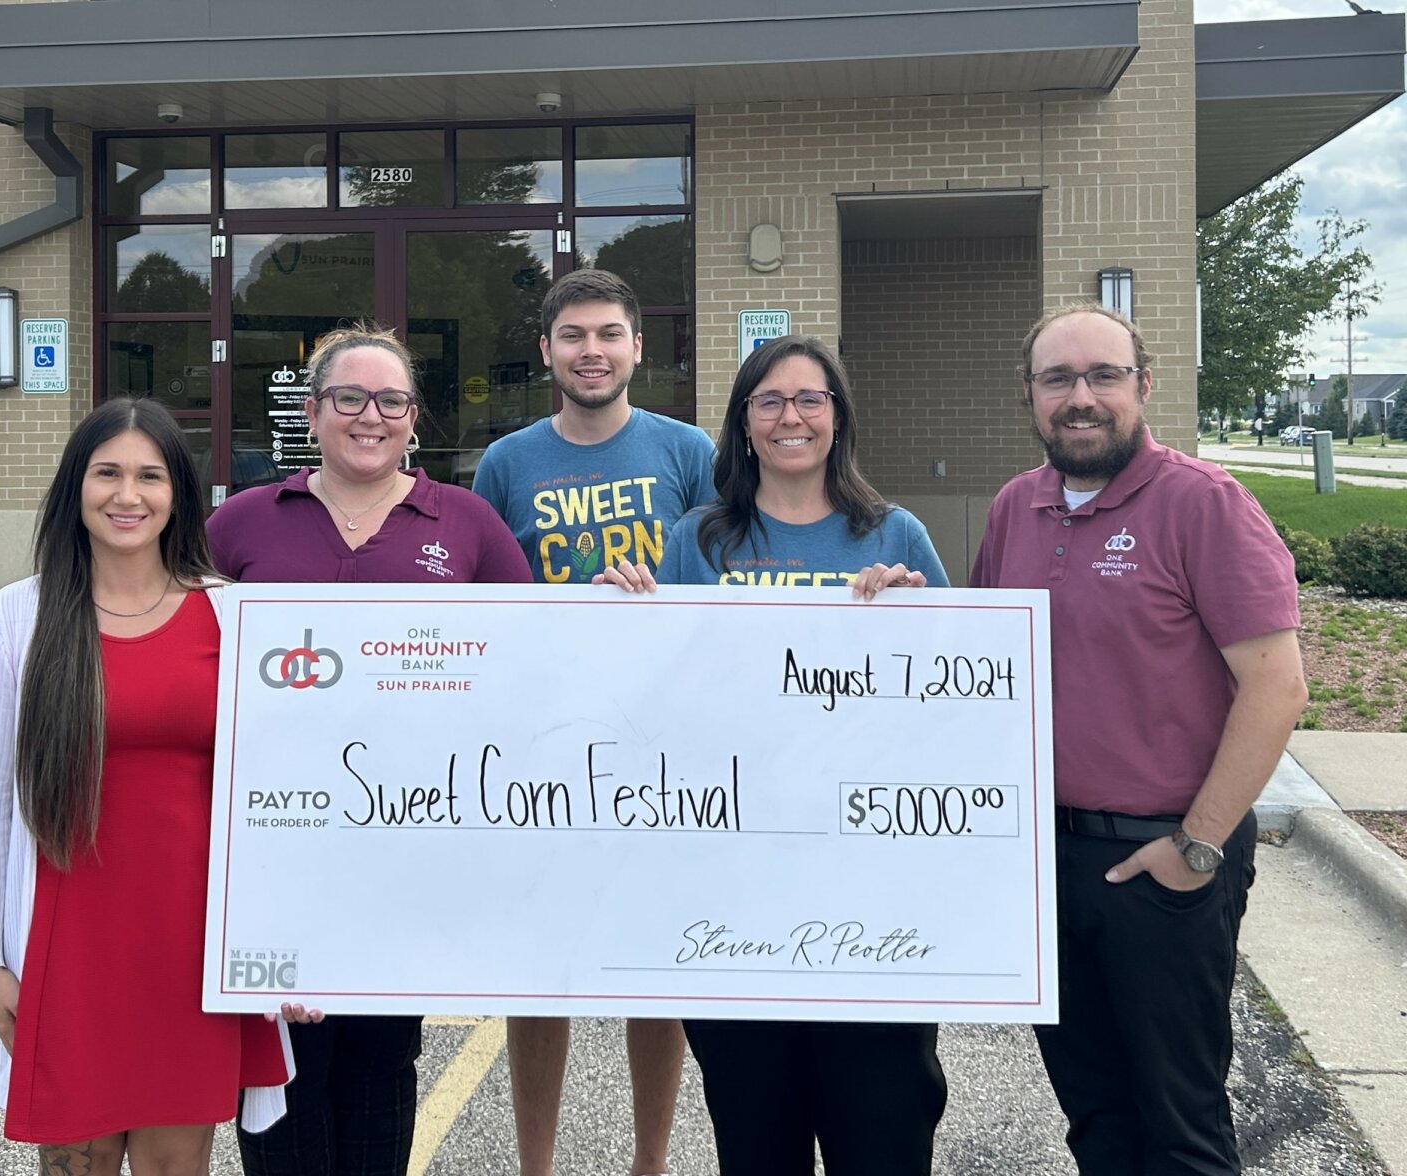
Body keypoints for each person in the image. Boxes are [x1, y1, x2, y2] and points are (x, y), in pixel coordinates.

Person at [969, 305, 1308, 1175]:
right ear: (1029, 396)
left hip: (1163, 860)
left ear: (1143, 385)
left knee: (1180, 1125)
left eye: (1103, 376)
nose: (1080, 397)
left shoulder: (1204, 504)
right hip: (1047, 863)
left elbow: (1277, 687)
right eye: (1057, 379)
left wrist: (1196, 846)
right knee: (1096, 1115)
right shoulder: (1014, 508)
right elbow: (979, 665)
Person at [604, 334, 950, 1176]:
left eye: (809, 399)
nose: (790, 417)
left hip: (869, 898)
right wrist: (618, 625)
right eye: (770, 401)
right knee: (757, 1143)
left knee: (883, 1138)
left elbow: (955, 711)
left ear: (838, 417)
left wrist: (917, 622)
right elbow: (655, 707)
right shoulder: (698, 541)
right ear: (744, 423)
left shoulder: (895, 536)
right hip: (733, 895)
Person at [207, 324, 531, 1176]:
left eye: (391, 400)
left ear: (414, 417)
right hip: (275, 847)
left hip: (408, 849)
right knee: (282, 1067)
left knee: (381, 1064)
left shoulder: (467, 522)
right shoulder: (241, 523)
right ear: (313, 413)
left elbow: (531, 659)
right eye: (349, 397)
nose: (370, 416)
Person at [0, 398, 292, 1176]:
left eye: (150, 476)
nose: (127, 495)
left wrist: (284, 946)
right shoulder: (17, 620)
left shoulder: (233, 616)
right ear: (76, 487)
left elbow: (276, 801)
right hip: (67, 948)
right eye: (107, 473)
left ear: (179, 495)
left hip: (191, 950)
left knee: (177, 1165)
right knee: (82, 1159)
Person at [471, 268, 715, 1176]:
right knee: (542, 969)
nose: (592, 351)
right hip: (545, 743)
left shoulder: (687, 450)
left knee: (654, 964)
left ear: (638, 347)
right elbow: (487, 605)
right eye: (573, 335)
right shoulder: (507, 463)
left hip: (661, 739)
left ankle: (650, 1162)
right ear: (546, 350)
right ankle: (535, 1166)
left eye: (609, 333)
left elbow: (720, 582)